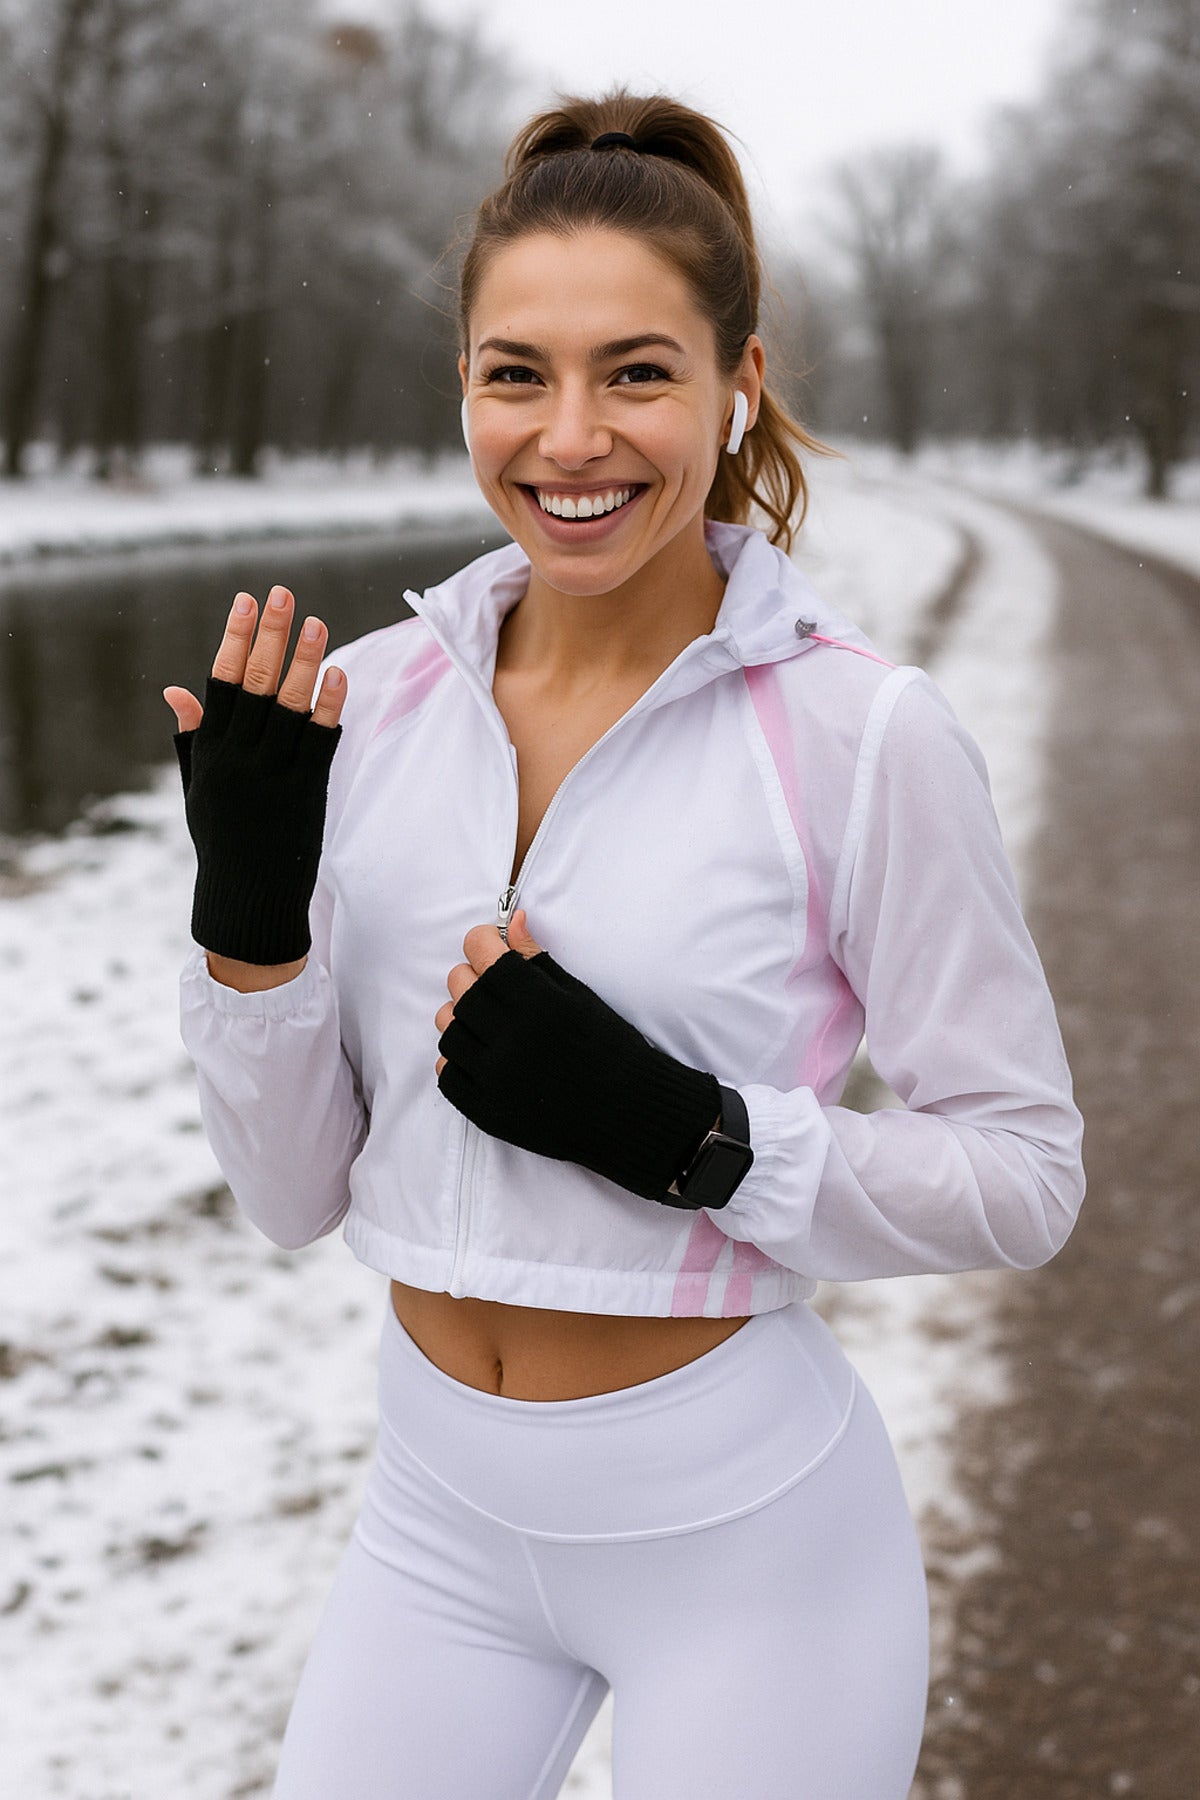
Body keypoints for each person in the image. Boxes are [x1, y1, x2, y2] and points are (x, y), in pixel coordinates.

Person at [164, 87, 1085, 1800]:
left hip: (747, 1543)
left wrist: (692, 1136)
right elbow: (294, 1199)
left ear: (739, 385)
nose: (569, 437)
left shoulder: (859, 735)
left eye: (637, 372)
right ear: (463, 388)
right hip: (435, 1519)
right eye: (518, 373)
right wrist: (248, 930)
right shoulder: (365, 702)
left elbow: (1027, 1174)